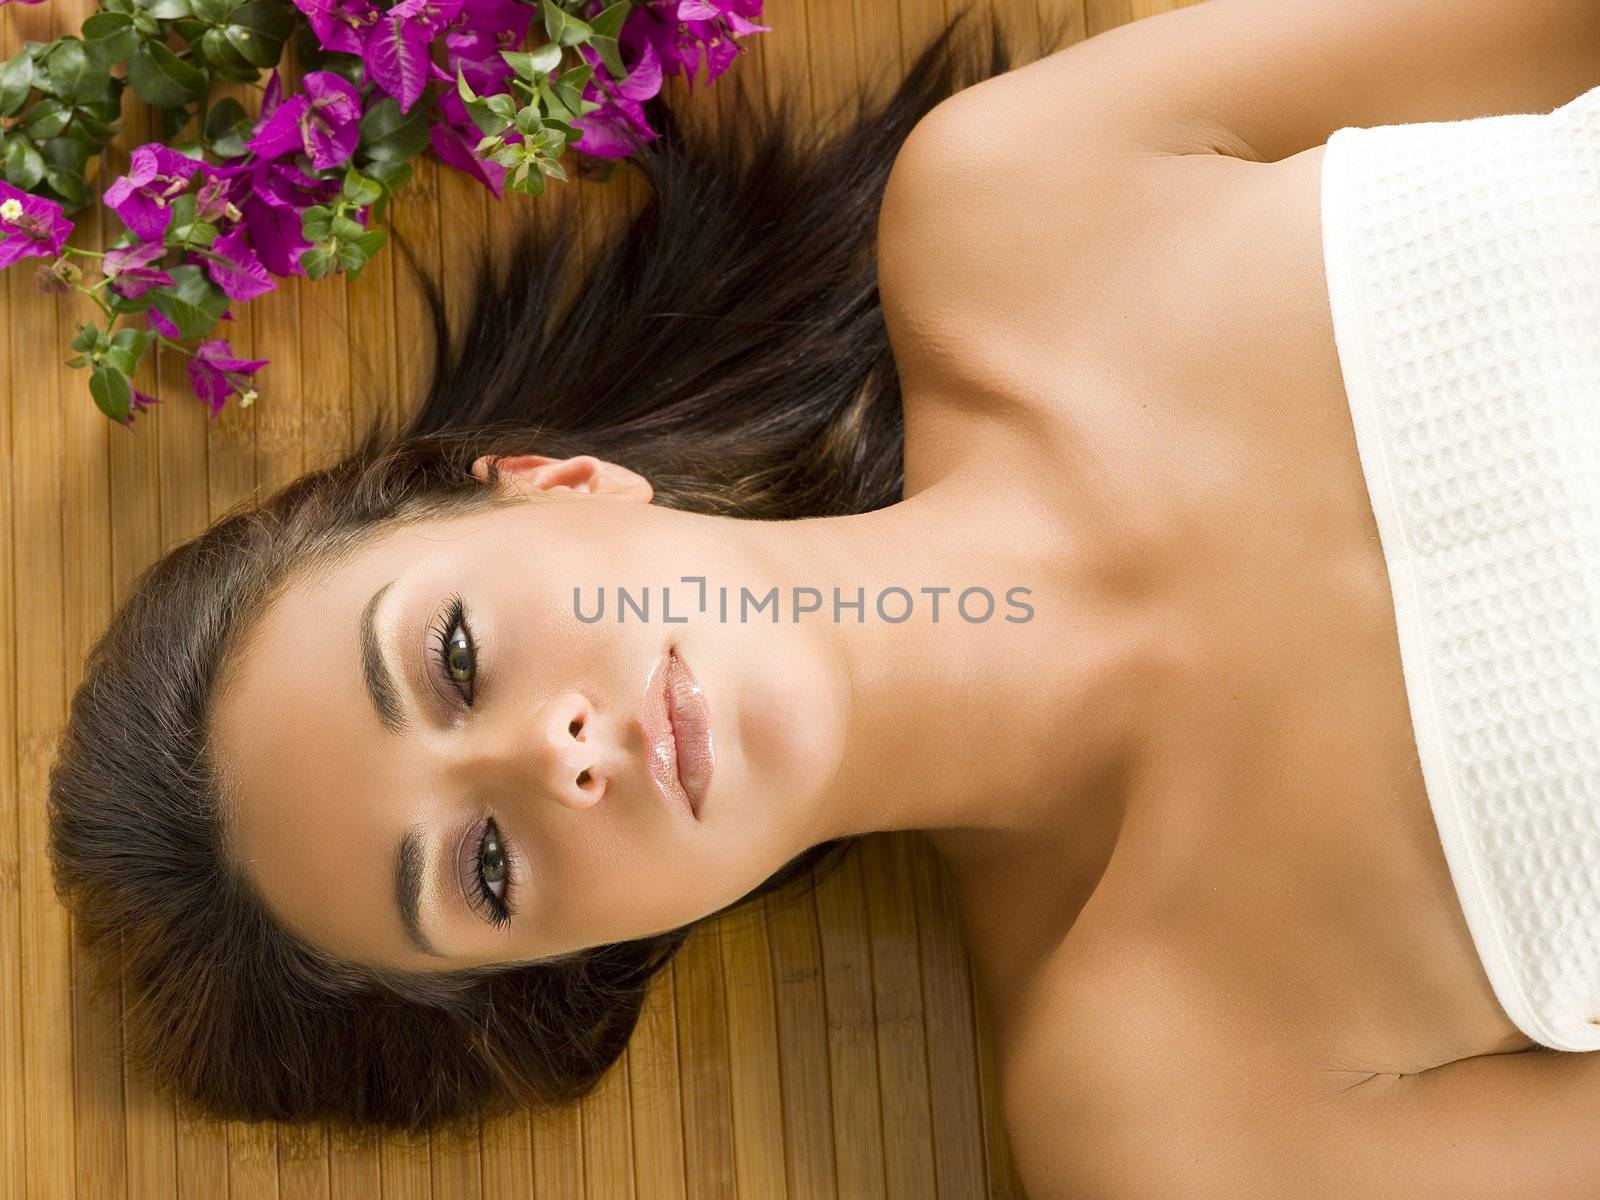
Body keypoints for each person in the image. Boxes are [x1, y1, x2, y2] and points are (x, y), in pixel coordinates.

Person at [46, 0, 1600, 1195]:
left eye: (456, 658)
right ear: (575, 964)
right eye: (488, 872)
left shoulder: (1022, 204)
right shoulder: (1178, 1115)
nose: (555, 756)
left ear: (546, 481)